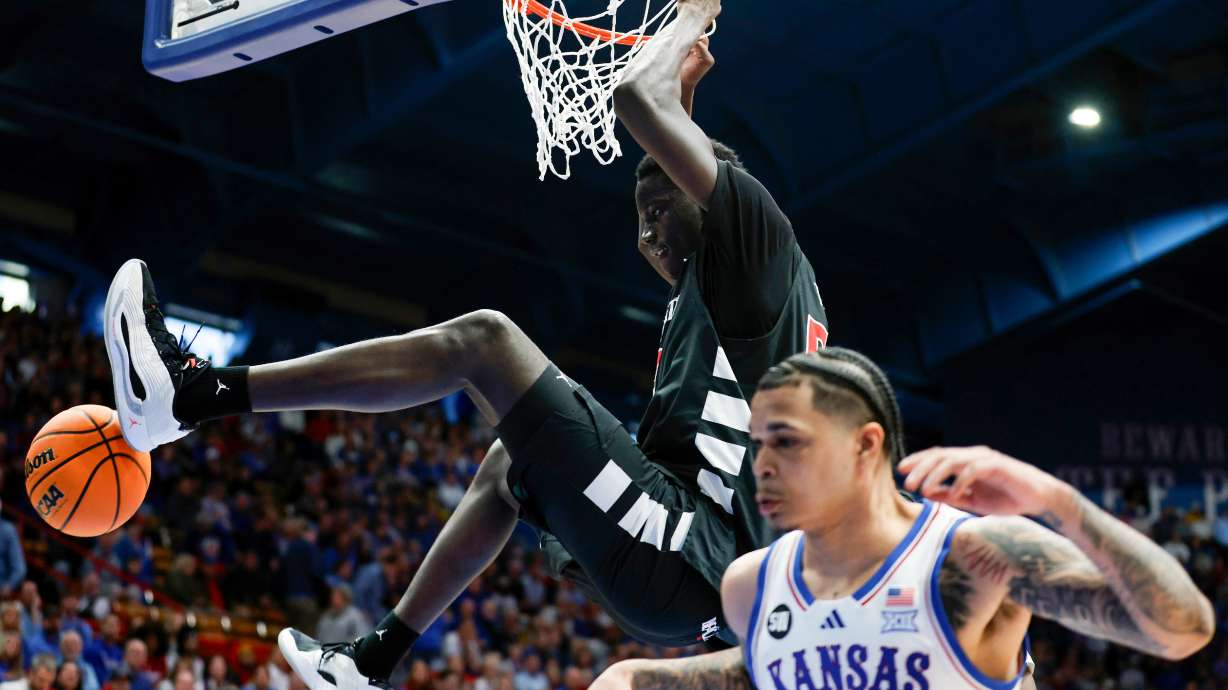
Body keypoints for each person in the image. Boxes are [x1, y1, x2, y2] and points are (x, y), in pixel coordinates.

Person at [102, 0, 825, 685]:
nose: (645, 236)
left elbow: (639, 101)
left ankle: (195, 395)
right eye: (641, 218)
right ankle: (372, 662)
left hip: (684, 551)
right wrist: (687, 86)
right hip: (683, 561)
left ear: (712, 193)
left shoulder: (759, 238)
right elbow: (676, 158)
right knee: (511, 460)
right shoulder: (743, 279)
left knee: (485, 341)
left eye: (658, 211)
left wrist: (690, 17)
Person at [588, 349, 1215, 689]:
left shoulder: (972, 555)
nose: (764, 466)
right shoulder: (751, 584)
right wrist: (631, 678)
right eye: (757, 445)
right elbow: (779, 667)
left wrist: (1058, 503)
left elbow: (1180, 633)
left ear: (865, 446)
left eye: (788, 442)